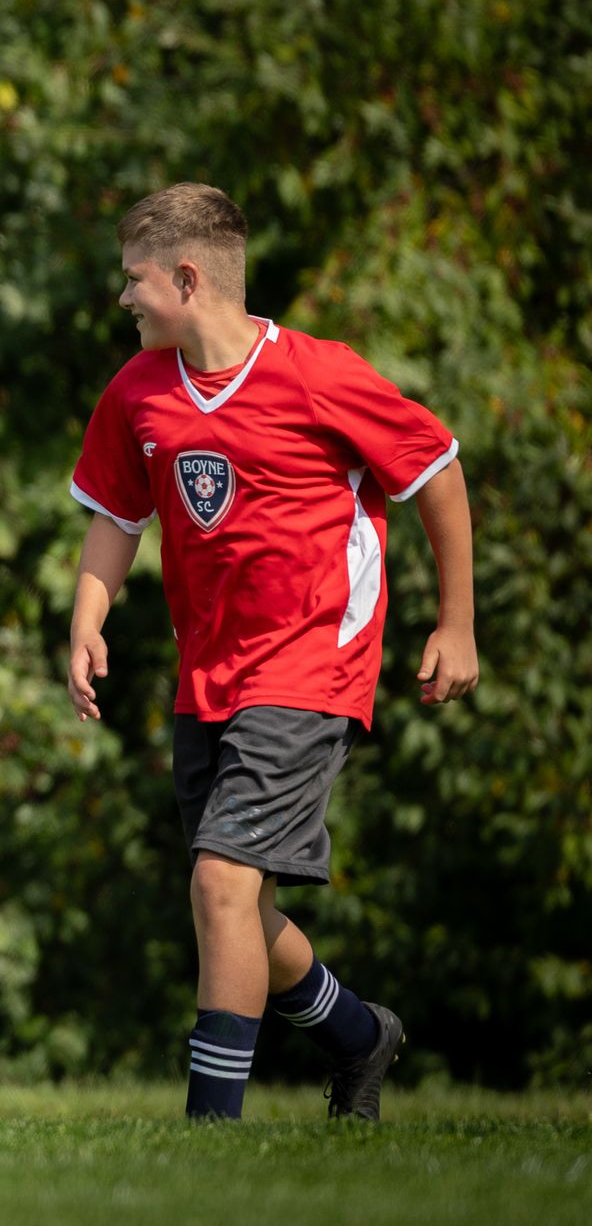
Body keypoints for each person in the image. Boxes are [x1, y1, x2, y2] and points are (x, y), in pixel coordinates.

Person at [66, 182, 478, 1121]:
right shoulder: (138, 392)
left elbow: (436, 469)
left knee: (220, 882)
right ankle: (359, 1038)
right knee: (236, 906)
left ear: (186, 276)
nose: (124, 298)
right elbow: (115, 516)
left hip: (311, 667)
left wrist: (456, 622)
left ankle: (210, 1133)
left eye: (134, 280)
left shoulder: (318, 375)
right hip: (207, 673)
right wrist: (87, 619)